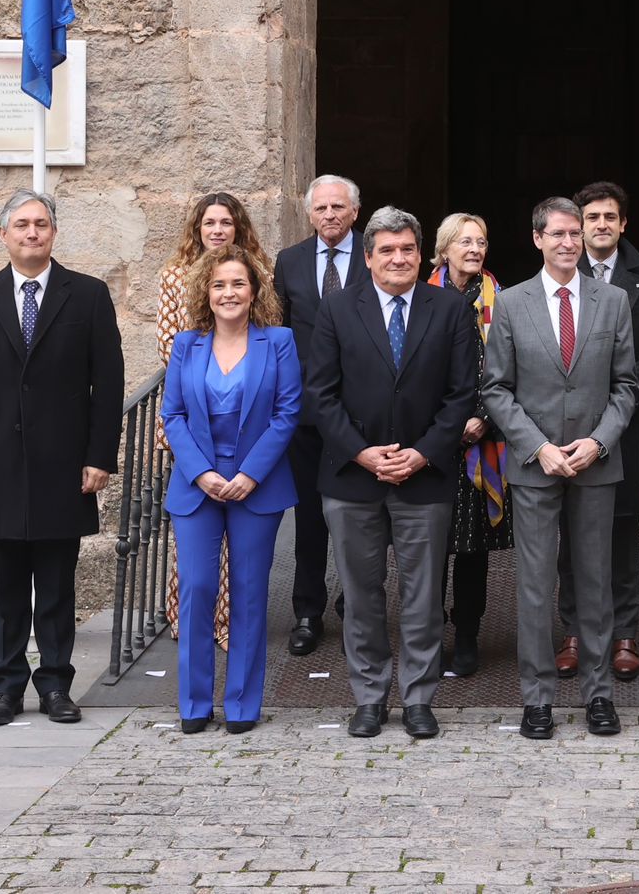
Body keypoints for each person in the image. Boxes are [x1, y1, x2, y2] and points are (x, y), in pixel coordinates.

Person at [0, 190, 122, 727]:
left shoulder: (87, 295)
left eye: (41, 223)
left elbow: (108, 384)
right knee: (5, 591)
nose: (32, 232)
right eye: (21, 224)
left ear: (54, 232)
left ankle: (56, 685)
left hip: (63, 468)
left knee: (57, 588)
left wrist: (99, 456)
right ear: (4, 235)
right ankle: (6, 687)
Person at [306, 207, 477, 741]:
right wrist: (362, 453)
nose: (398, 259)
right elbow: (320, 393)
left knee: (423, 598)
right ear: (368, 257)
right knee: (361, 596)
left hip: (424, 478)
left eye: (407, 249)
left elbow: (462, 394)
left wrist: (422, 454)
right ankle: (370, 697)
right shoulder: (337, 308)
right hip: (352, 478)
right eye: (387, 250)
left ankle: (420, 698)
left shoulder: (450, 309)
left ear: (421, 254)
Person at [480, 196, 639, 740]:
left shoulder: (613, 300)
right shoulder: (512, 303)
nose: (570, 242)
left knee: (595, 584)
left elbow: (626, 385)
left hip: (595, 464)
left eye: (575, 233)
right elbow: (496, 388)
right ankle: (537, 699)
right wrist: (537, 446)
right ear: (537, 239)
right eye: (558, 234)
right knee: (534, 585)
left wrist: (599, 441)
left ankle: (599, 695)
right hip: (535, 466)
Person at [160, 244, 300, 734]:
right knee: (197, 589)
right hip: (196, 483)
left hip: (255, 484)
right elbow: (173, 414)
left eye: (238, 283)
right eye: (219, 284)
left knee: (248, 593)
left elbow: (287, 412)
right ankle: (194, 703)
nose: (229, 293)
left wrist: (250, 474)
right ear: (206, 291)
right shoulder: (187, 345)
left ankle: (242, 703)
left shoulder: (278, 342)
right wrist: (201, 472)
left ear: (255, 290)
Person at [558, 180, 639, 687]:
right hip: (567, 428)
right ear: (578, 226)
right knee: (570, 538)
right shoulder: (560, 272)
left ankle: (624, 634)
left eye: (609, 217)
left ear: (624, 224)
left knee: (623, 537)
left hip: (624, 427)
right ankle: (574, 632)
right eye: (592, 217)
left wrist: (615, 406)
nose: (600, 225)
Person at [155, 192, 270, 648]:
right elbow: (170, 344)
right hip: (194, 414)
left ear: (238, 227)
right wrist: (207, 371)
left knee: (239, 541)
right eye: (209, 223)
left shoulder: (257, 272)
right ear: (197, 229)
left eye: (226, 222)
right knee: (196, 540)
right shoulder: (176, 275)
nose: (218, 230)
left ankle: (227, 622)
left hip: (245, 418)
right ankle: (191, 617)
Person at [272, 174, 363, 657]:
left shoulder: (374, 253)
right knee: (309, 517)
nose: (329, 215)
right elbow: (279, 332)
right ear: (309, 214)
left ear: (355, 212)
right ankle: (308, 612)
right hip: (306, 412)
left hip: (361, 411)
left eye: (338, 207)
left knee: (360, 517)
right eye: (321, 208)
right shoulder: (289, 261)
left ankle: (356, 608)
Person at [428, 213, 508, 679]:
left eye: (481, 242)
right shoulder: (421, 298)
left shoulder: (503, 299)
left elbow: (511, 368)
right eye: (465, 242)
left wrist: (483, 419)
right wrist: (445, 425)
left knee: (473, 549)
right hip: (433, 443)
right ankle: (429, 636)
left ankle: (467, 636)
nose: (475, 249)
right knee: (430, 548)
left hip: (481, 443)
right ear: (444, 250)